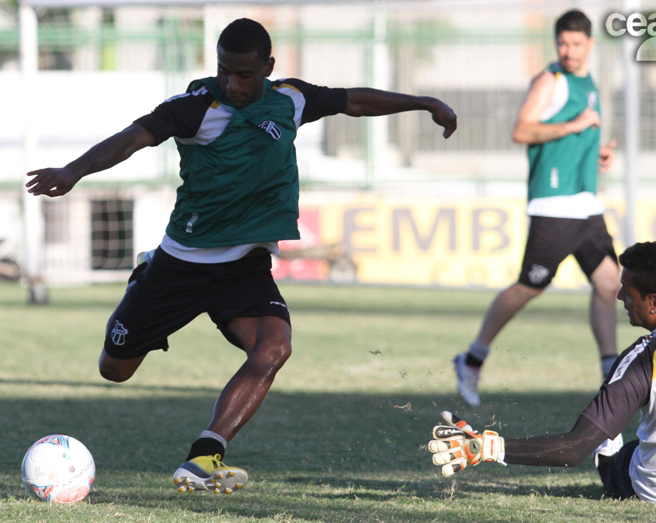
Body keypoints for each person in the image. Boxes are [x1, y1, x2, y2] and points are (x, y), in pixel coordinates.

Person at [26, 18, 457, 494]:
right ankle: (142, 278)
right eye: (223, 71)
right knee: (114, 370)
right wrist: (72, 171)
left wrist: (424, 103)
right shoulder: (195, 107)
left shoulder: (290, 98)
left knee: (274, 347)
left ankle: (204, 455)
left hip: (244, 265)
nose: (232, 84)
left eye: (244, 74)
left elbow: (353, 101)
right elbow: (132, 138)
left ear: (267, 67)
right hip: (181, 264)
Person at [430, 240, 656, 503]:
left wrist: (487, 447)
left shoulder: (643, 359)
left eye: (627, 289)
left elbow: (574, 447)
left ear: (654, 303)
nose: (619, 295)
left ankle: (608, 457)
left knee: (616, 455)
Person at [453, 9, 619, 407]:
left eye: (576, 43)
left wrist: (597, 152)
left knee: (609, 284)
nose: (568, 50)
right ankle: (472, 359)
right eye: (562, 43)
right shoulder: (550, 80)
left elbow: (575, 137)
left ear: (590, 44)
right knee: (530, 285)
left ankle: (611, 373)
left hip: (585, 203)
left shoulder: (588, 83)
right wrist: (573, 127)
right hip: (555, 204)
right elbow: (522, 129)